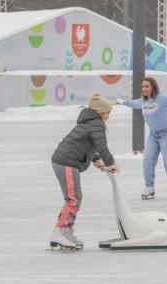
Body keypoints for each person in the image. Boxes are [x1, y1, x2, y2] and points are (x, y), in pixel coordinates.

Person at [50, 93, 119, 250]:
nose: (108, 116)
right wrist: (111, 163)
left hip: (64, 160)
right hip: (66, 162)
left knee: (74, 198)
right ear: (101, 112)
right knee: (73, 199)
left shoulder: (89, 122)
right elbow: (102, 147)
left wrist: (96, 160)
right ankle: (60, 232)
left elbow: (84, 145)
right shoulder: (96, 124)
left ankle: (65, 231)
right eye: (108, 112)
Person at [117, 77, 167, 200]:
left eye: (147, 86)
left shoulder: (161, 99)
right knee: (147, 161)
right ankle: (149, 186)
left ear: (153, 87)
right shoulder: (142, 101)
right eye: (143, 86)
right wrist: (122, 102)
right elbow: (133, 103)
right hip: (153, 136)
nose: (144, 89)